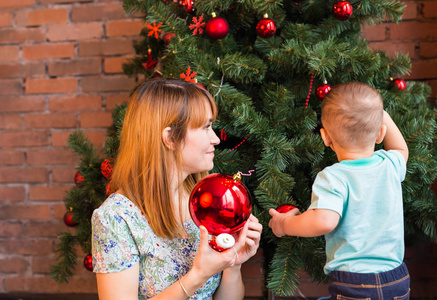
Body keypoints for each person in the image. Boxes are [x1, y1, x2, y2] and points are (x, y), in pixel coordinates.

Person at [92, 78, 262, 300]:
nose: (215, 139)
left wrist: (233, 263)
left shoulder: (207, 200)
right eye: (206, 127)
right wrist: (198, 276)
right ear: (170, 138)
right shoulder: (116, 218)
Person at [268, 82, 410, 299]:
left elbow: (323, 221)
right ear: (381, 132)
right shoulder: (389, 164)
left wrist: (284, 224)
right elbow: (401, 148)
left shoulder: (333, 177)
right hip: (397, 278)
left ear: (325, 137)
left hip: (356, 283)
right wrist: (383, 115)